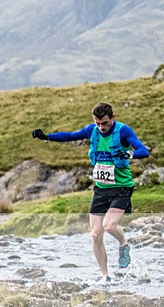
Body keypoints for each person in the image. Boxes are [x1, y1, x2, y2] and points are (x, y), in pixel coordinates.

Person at [32, 102, 149, 283]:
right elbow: (70, 136)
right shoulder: (92, 130)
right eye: (97, 123)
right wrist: (46, 136)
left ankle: (123, 244)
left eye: (105, 123)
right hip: (101, 189)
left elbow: (143, 151)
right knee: (95, 234)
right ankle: (105, 276)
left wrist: (129, 154)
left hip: (121, 188)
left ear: (113, 117)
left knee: (109, 226)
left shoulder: (123, 131)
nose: (101, 127)